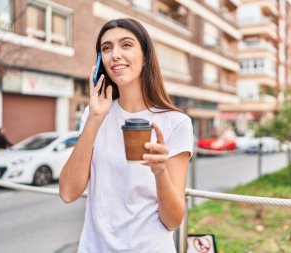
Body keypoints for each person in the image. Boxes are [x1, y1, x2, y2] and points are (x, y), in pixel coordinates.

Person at [59, 18, 194, 253]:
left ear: (145, 58)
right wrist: (94, 118)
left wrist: (160, 171)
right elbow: (68, 192)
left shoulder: (176, 123)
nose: (115, 54)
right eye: (106, 48)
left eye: (126, 45)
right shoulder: (95, 114)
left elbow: (173, 220)